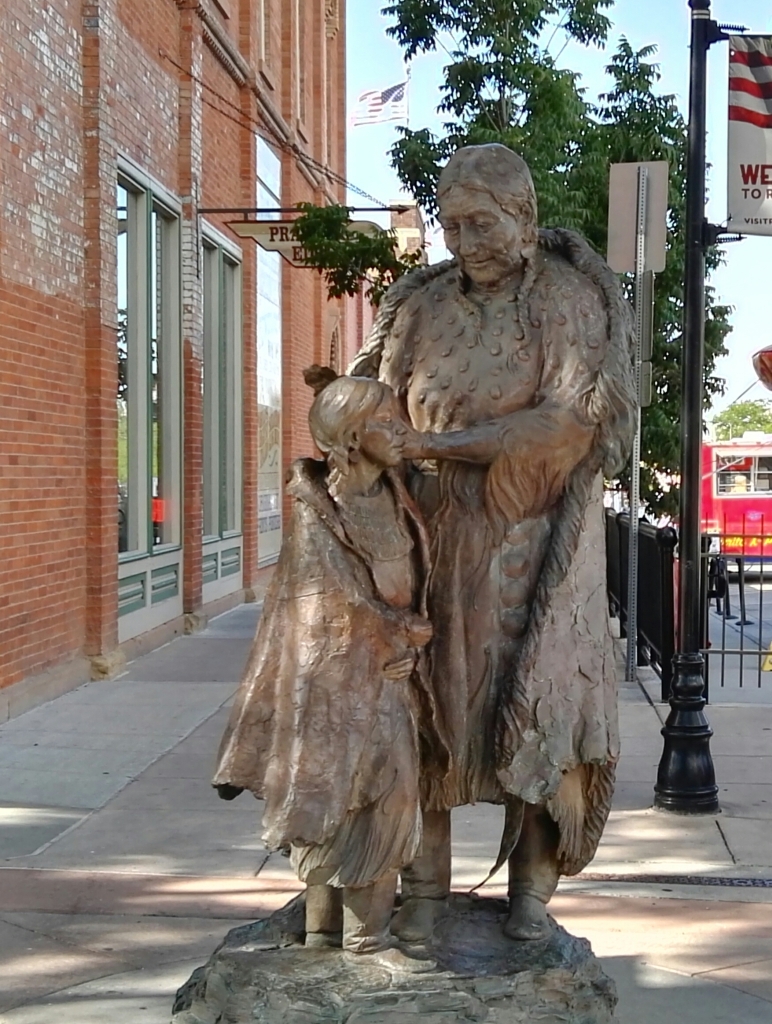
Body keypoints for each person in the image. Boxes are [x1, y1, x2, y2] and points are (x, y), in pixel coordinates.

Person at [350, 143, 636, 941]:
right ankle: (425, 891)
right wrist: (359, 430)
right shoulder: (420, 306)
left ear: (522, 218)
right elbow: (376, 391)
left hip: (536, 542)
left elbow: (568, 422)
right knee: (423, 712)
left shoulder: (568, 302)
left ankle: (530, 898)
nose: (463, 241)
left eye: (481, 222)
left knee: (544, 712)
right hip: (431, 542)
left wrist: (444, 445)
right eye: (450, 225)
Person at [212, 369, 448, 962]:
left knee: (383, 799)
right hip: (341, 685)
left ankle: (349, 939)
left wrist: (408, 643)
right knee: (352, 801)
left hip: (393, 678)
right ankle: (349, 944)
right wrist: (396, 633)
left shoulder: (396, 497)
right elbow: (329, 602)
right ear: (348, 437)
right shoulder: (319, 513)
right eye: (385, 424)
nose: (401, 432)